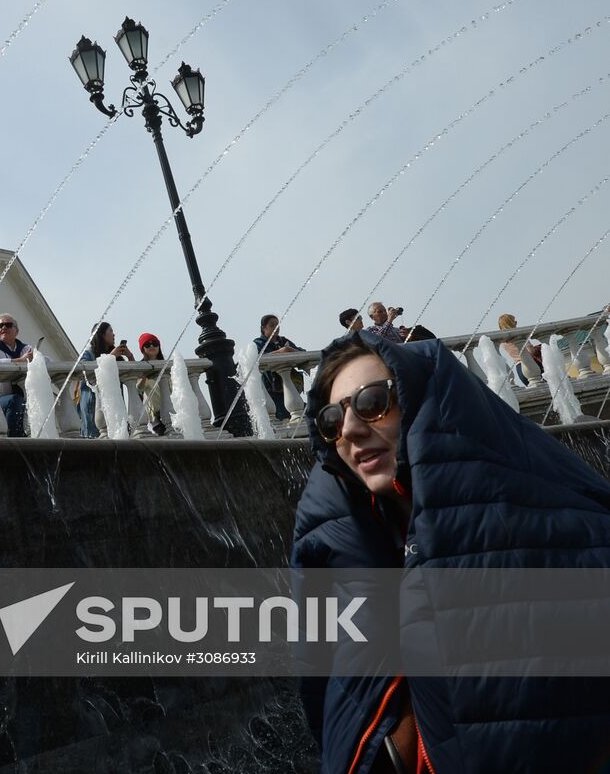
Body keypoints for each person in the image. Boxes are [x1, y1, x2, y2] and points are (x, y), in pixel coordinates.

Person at [293, 331, 610, 773]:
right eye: (331, 420)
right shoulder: (348, 562)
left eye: (371, 402)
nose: (348, 429)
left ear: (427, 405)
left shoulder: (567, 537)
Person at [77, 322, 135, 437]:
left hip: (114, 408)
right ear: (101, 334)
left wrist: (130, 356)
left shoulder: (116, 357)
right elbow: (82, 372)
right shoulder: (88, 354)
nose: (114, 335)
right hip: (94, 409)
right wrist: (110, 357)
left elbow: (133, 375)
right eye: (110, 331)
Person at [0, 313, 34, 437]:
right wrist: (20, 360)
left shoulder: (26, 349)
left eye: (8, 325)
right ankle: (13, 440)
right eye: (0, 326)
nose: (3, 328)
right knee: (15, 401)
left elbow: (44, 361)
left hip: (23, 399)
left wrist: (35, 360)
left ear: (17, 330)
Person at [253, 314, 305, 420]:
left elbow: (302, 352)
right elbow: (257, 358)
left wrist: (290, 350)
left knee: (302, 412)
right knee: (283, 416)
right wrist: (280, 352)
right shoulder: (259, 343)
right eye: (272, 325)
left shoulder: (283, 341)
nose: (276, 328)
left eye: (277, 325)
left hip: (288, 384)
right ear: (264, 328)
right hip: (272, 389)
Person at [135, 332, 168, 435]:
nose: (152, 346)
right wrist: (143, 379)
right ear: (143, 349)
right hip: (155, 416)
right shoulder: (141, 367)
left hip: (170, 410)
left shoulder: (166, 364)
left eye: (154, 343)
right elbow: (138, 389)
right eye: (147, 344)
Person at [497, 313, 543, 385]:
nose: (516, 323)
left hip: (519, 369)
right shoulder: (519, 336)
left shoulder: (503, 341)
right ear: (510, 323)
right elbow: (531, 351)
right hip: (530, 365)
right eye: (514, 321)